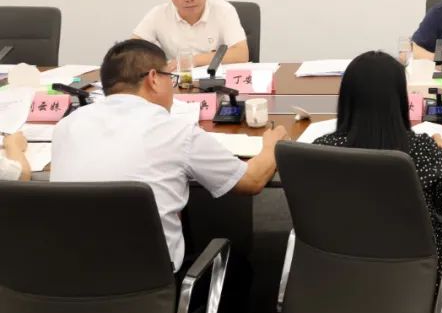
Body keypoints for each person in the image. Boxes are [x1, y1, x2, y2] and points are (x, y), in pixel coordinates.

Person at [50, 39, 286, 271]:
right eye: (169, 78)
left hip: (66, 276)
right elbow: (251, 181)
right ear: (153, 78)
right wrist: (271, 146)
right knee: (239, 268)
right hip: (148, 280)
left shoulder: (66, 126)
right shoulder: (176, 131)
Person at [313, 51, 442, 313]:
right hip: (418, 276)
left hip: (338, 270)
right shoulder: (422, 150)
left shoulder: (321, 151)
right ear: (400, 100)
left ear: (346, 98)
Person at [133, 0, 249, 70]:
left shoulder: (223, 10)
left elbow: (241, 54)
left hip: (215, 80)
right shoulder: (158, 14)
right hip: (177, 81)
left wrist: (190, 61)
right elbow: (132, 51)